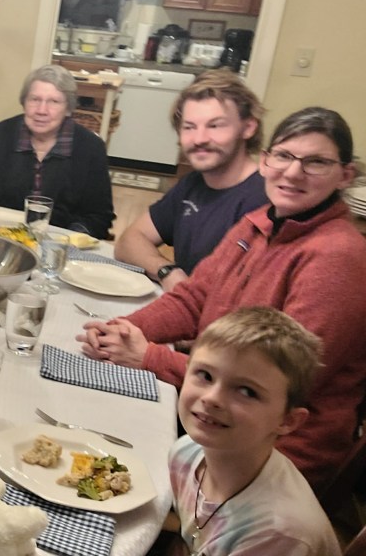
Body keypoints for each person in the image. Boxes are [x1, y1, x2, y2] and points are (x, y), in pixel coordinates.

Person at [78, 107, 366, 490]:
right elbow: (194, 297)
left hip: (270, 454)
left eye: (316, 162)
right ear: (265, 161)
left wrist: (149, 357)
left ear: (345, 175)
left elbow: (278, 381)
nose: (293, 172)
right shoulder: (259, 222)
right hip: (216, 414)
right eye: (283, 155)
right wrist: (126, 328)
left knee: (100, 462)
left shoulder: (339, 256)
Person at [168, 307, 340, 555]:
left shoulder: (277, 533)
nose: (212, 398)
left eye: (247, 391)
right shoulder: (184, 454)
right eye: (205, 375)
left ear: (287, 421)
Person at [114, 69, 268, 292]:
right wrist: (167, 271)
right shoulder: (192, 185)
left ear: (248, 128)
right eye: (189, 127)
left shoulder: (265, 200)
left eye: (215, 125)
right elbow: (129, 241)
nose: (199, 139)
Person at [0, 64, 115, 239]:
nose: (41, 110)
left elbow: (99, 217)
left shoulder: (90, 147)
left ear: (68, 108)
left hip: (59, 245)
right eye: (34, 99)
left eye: (54, 102)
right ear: (24, 102)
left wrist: (69, 240)